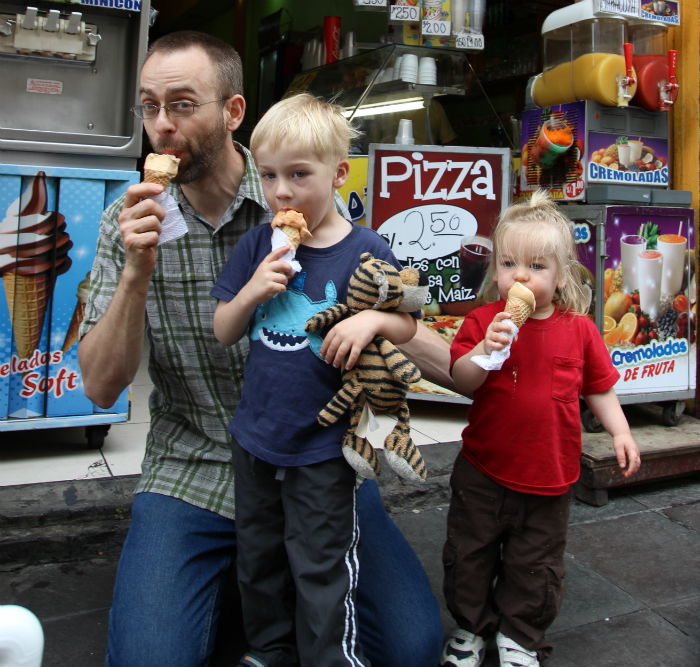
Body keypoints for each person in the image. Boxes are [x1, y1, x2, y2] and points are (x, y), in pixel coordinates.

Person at [77, 31, 443, 667]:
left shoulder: (303, 186)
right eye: (148, 106)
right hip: (191, 464)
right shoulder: (127, 220)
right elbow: (101, 389)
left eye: (183, 104)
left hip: (313, 456)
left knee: (413, 648)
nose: (161, 127)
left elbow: (390, 310)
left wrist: (445, 350)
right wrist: (136, 271)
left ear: (233, 112)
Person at [211, 93, 418, 666]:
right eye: (269, 175)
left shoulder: (367, 248)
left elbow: (412, 314)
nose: (281, 192)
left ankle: (328, 656)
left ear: (338, 173)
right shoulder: (256, 244)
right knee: (257, 555)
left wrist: (375, 317)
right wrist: (255, 287)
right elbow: (225, 328)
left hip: (324, 446)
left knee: (321, 561)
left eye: (299, 174)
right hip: (256, 434)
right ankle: (268, 650)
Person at [440, 191, 641, 667]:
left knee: (536, 565)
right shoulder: (483, 321)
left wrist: (621, 432)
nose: (521, 276)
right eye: (509, 263)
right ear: (495, 271)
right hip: (483, 471)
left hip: (549, 476)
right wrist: (483, 351)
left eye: (537, 265)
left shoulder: (579, 330)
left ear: (562, 275)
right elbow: (462, 381)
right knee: (469, 555)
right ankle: (471, 627)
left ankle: (521, 634)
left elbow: (599, 388)